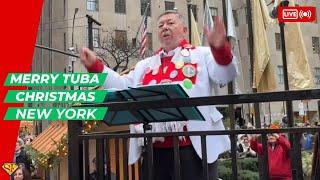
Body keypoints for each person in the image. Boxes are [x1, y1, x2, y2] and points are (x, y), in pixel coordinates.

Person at [80, 10, 237, 180]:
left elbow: (225, 75)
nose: (165, 27)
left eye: (170, 23)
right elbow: (123, 87)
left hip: (194, 146)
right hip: (153, 147)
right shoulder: (145, 65)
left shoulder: (202, 54)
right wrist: (96, 67)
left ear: (184, 30)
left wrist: (220, 49)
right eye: (161, 25)